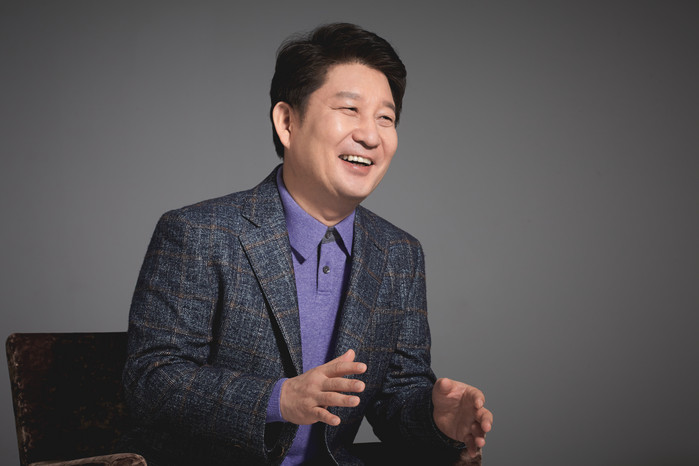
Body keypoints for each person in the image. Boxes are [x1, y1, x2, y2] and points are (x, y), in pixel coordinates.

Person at [122, 23, 493, 465]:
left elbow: (396, 398)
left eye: (386, 118)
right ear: (287, 122)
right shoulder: (200, 233)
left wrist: (436, 420)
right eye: (350, 109)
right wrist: (279, 398)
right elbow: (151, 381)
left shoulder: (399, 254)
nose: (371, 135)